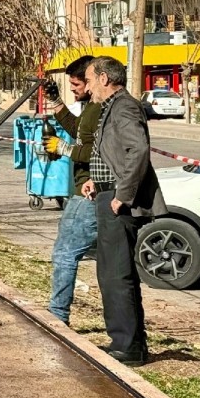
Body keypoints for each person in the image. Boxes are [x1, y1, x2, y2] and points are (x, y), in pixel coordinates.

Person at [79, 56, 165, 366]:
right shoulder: (112, 106)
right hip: (107, 193)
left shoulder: (125, 106)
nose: (88, 88)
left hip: (118, 201)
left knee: (116, 274)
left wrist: (122, 195)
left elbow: (138, 150)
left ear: (103, 79)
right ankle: (130, 343)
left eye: (89, 80)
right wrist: (94, 179)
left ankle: (126, 346)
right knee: (113, 272)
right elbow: (114, 152)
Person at [41, 55, 101, 325]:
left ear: (92, 80)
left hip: (88, 192)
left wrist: (63, 148)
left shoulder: (100, 108)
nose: (74, 89)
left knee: (65, 252)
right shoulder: (89, 106)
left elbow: (98, 149)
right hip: (87, 189)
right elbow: (79, 131)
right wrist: (55, 103)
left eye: (77, 84)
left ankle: (57, 316)